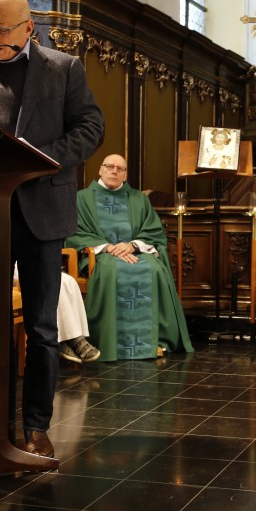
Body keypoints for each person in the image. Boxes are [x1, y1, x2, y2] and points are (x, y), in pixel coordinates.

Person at [0, 0, 104, 459]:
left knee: (40, 328)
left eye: (1, 29)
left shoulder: (63, 67)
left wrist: (40, 159)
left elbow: (91, 127)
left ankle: (35, 425)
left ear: (28, 27)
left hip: (40, 213)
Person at [67, 154, 193, 363]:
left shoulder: (138, 198)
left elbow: (154, 232)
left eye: (120, 169)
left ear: (125, 175)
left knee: (154, 268)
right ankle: (109, 340)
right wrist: (107, 247)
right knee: (110, 271)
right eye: (110, 167)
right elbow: (73, 233)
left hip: (135, 252)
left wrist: (131, 245)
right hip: (101, 256)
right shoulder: (82, 198)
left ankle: (155, 339)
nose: (114, 171)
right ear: (100, 170)